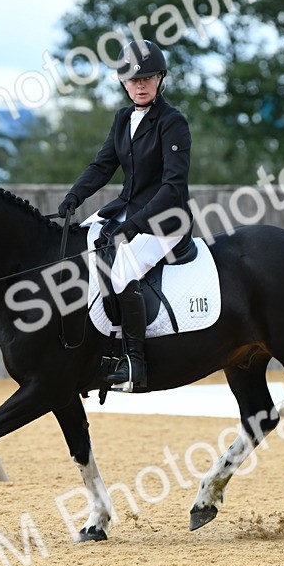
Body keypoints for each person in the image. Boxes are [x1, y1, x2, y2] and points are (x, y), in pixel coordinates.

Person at [57, 40, 193, 392]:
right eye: (134, 79)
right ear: (123, 83)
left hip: (165, 219)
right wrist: (75, 195)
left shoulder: (172, 122)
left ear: (161, 78)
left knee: (120, 272)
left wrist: (134, 226)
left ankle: (134, 362)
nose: (141, 84)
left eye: (148, 77)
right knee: (81, 245)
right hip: (126, 210)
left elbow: (173, 186)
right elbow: (103, 165)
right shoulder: (122, 119)